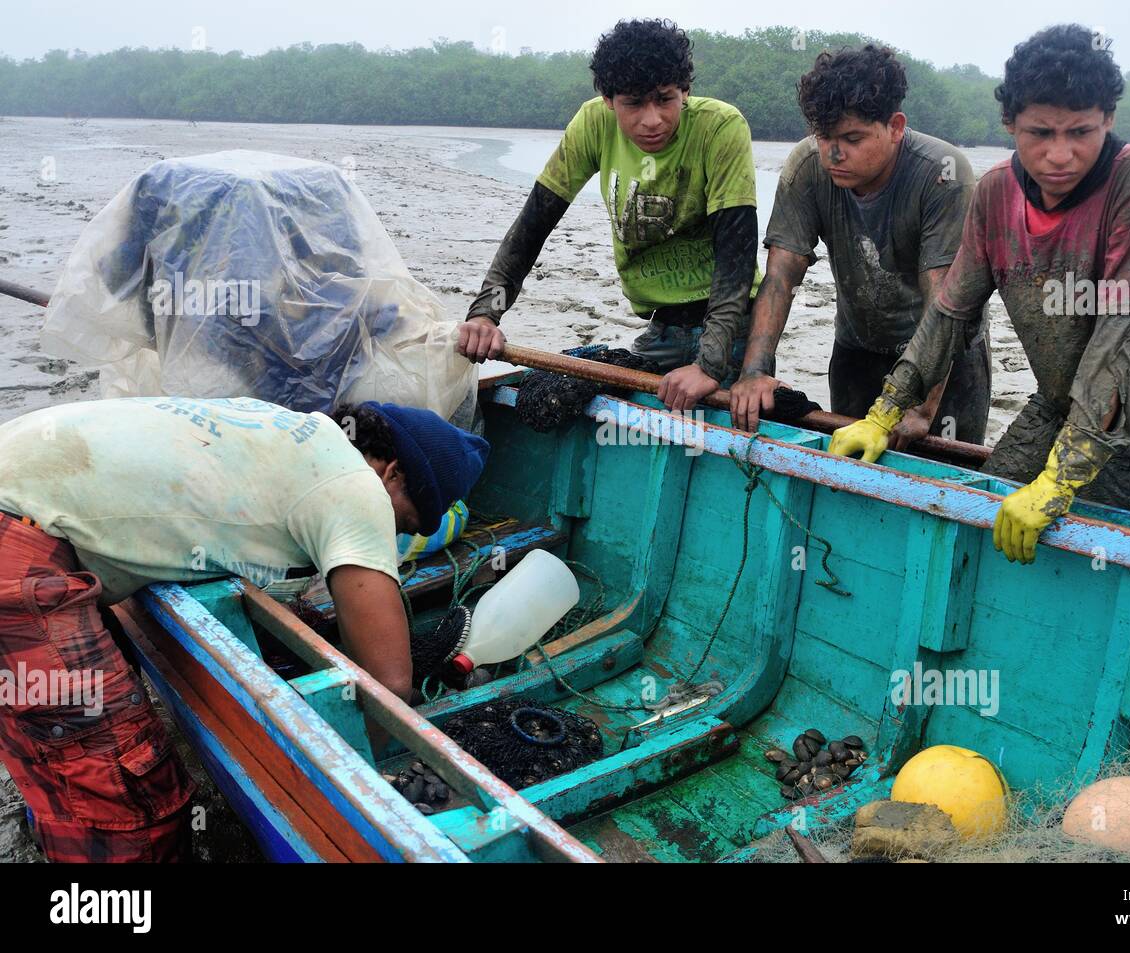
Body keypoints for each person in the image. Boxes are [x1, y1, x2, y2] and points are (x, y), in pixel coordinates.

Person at [0, 396, 487, 860]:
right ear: (392, 471)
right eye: (405, 521)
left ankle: (58, 830)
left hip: (26, 496)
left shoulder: (292, 431)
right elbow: (390, 683)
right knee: (131, 797)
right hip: (20, 546)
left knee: (61, 750)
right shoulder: (358, 486)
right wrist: (340, 776)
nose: (397, 536)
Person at [828, 24, 1130, 565]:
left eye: (1081, 131)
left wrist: (1061, 477)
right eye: (1040, 133)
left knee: (1123, 576)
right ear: (1010, 124)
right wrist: (883, 413)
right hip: (1054, 406)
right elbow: (950, 312)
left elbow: (1122, 335)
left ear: (1109, 119)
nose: (1061, 154)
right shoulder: (995, 192)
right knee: (981, 525)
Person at [456, 18, 761, 412]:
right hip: (663, 325)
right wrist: (485, 314)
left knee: (722, 426)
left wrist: (709, 364)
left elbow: (736, 257)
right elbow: (533, 226)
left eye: (665, 99)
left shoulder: (720, 128)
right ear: (608, 100)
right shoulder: (593, 124)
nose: (652, 120)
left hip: (732, 325)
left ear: (685, 92)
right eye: (633, 103)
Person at [730, 44, 991, 444]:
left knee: (940, 476)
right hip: (859, 346)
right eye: (824, 137)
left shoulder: (944, 174)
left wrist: (921, 407)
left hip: (948, 358)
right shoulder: (806, 168)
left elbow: (946, 302)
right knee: (850, 465)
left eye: (852, 138)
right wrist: (754, 372)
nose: (834, 153)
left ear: (896, 126)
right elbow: (781, 276)